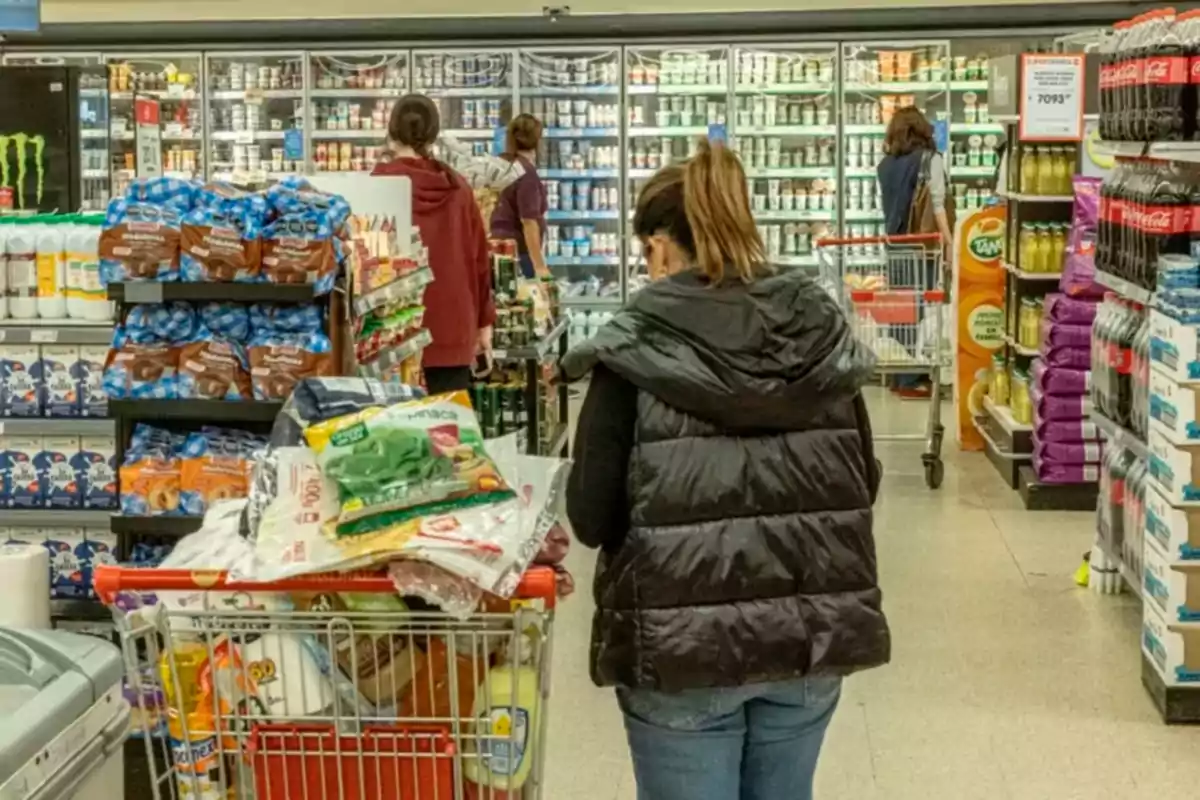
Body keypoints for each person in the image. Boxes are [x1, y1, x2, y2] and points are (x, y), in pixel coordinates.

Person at [561, 139, 889, 800]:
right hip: (806, 637)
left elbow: (591, 517)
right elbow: (865, 480)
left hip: (682, 649)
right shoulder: (819, 333)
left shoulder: (630, 353)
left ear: (659, 245)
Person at [372, 94, 494, 394]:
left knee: (397, 434)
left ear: (391, 129)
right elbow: (479, 259)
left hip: (392, 332)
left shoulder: (377, 185)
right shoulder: (457, 187)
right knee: (448, 434)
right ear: (433, 134)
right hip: (453, 324)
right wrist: (484, 324)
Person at [876, 105, 952, 398]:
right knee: (918, 307)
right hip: (922, 243)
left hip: (894, 243)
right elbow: (937, 205)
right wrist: (948, 243)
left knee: (900, 307)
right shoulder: (929, 159)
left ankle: (899, 375)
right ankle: (911, 379)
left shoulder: (884, 165)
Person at [490, 113, 550, 279]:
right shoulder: (526, 173)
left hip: (494, 246)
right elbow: (529, 221)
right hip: (519, 253)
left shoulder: (500, 164)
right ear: (537, 142)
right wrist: (539, 266)